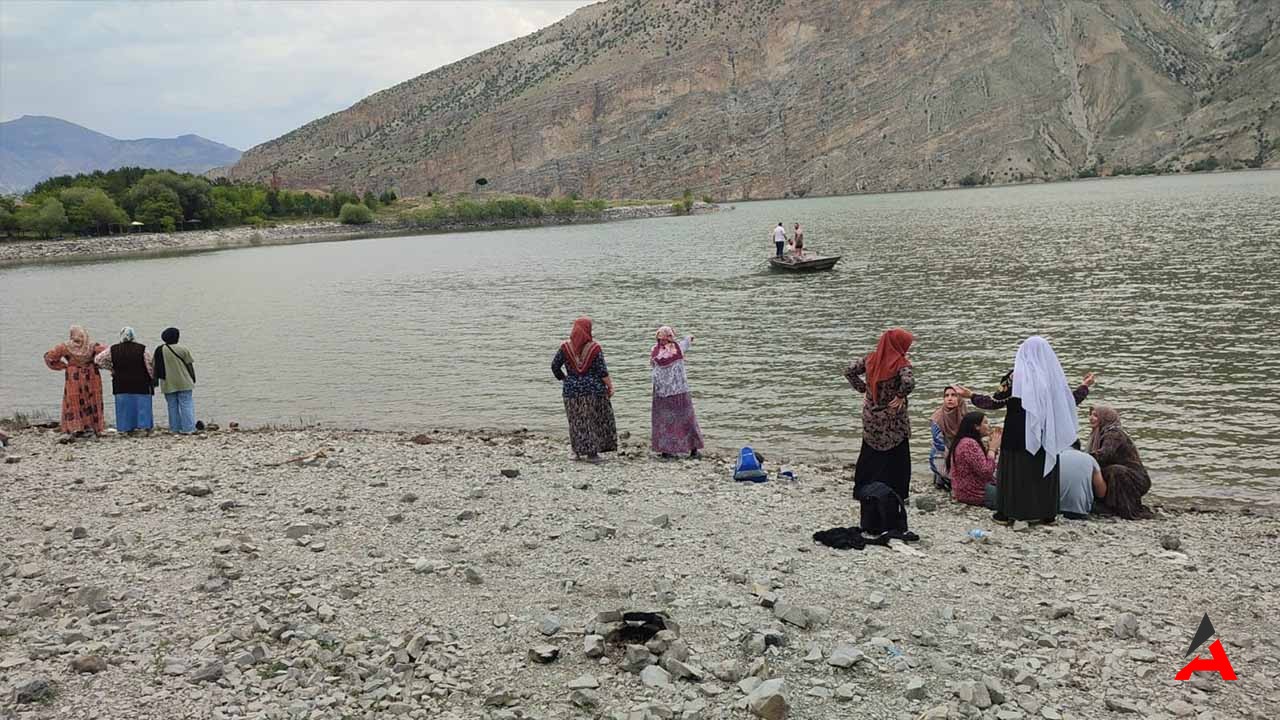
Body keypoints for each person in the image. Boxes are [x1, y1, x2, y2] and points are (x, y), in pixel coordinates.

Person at [954, 336, 1094, 524]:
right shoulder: (1052, 379)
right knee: (1042, 471)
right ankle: (1046, 514)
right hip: (1044, 434)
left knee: (1015, 473)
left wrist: (972, 395)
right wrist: (1084, 387)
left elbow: (995, 402)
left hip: (1016, 434)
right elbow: (1069, 402)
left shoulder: (1014, 378)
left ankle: (1009, 514)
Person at [844, 328, 915, 530]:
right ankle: (897, 492)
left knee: (870, 454)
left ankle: (865, 488)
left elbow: (849, 370)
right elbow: (909, 382)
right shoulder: (901, 364)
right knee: (897, 456)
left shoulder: (870, 359)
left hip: (871, 416)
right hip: (892, 419)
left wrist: (863, 388)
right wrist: (900, 396)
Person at [551, 317, 617, 462]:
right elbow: (602, 371)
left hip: (571, 391)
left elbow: (554, 366)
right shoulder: (594, 348)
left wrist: (564, 379)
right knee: (593, 420)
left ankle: (576, 451)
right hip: (593, 390)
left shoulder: (565, 348)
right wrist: (610, 386)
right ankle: (592, 453)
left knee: (576, 421)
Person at [649, 326, 704, 458]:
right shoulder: (678, 348)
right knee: (685, 419)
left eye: (663, 338)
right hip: (677, 391)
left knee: (666, 421)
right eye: (661, 338)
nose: (662, 341)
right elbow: (688, 340)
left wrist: (689, 338)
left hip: (664, 392)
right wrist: (690, 336)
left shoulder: (655, 351)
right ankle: (690, 449)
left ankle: (668, 450)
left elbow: (653, 367)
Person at [1088, 405, 1152, 519]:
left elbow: (1104, 455)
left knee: (1114, 470)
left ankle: (1125, 510)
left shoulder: (1114, 434)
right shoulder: (1098, 435)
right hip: (1121, 477)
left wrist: (1081, 458)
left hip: (1136, 480)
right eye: (1091, 415)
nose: (1091, 418)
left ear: (1105, 418)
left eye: (1096, 415)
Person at [43, 325, 107, 440]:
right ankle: (93, 427)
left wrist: (63, 366)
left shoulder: (65, 347)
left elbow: (50, 357)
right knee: (92, 400)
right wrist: (98, 364)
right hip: (91, 376)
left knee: (74, 400)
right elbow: (107, 354)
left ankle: (76, 427)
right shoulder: (92, 346)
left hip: (74, 376)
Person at [94, 327, 155, 434]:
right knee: (142, 406)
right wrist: (151, 377)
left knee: (124, 407)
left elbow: (98, 360)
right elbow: (149, 364)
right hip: (141, 382)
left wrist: (111, 368)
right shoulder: (142, 349)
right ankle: (143, 427)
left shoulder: (113, 349)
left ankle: (124, 428)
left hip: (121, 383)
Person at [946, 411, 1002, 506]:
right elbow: (986, 472)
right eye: (985, 422)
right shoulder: (969, 444)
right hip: (974, 493)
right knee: (1014, 497)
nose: (988, 426)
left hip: (966, 490)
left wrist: (992, 449)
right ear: (976, 427)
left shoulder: (965, 441)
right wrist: (992, 449)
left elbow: (985, 467)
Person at [153, 327, 197, 434]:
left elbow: (154, 367)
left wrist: (155, 382)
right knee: (186, 404)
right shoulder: (183, 349)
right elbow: (189, 365)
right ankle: (189, 428)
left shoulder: (159, 350)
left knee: (172, 406)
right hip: (184, 381)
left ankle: (175, 428)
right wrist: (193, 378)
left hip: (168, 382)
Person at [929, 385, 968, 490]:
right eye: (946, 396)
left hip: (960, 451)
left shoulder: (965, 415)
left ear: (959, 398)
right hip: (943, 452)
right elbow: (938, 444)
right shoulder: (937, 418)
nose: (949, 398)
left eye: (954, 395)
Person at [1058, 440, 1105, 519]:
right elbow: (1101, 492)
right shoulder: (1089, 458)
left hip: (1053, 511)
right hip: (1079, 512)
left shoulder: (1052, 457)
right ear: (1078, 447)